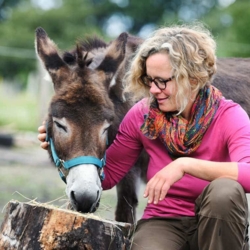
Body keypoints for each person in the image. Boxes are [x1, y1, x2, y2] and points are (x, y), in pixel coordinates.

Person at [38, 23, 250, 250]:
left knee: (225, 191)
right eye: (150, 80)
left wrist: (184, 165)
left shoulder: (228, 114)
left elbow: (247, 173)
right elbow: (107, 175)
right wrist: (65, 142)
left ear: (192, 79)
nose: (154, 90)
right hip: (165, 222)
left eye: (163, 81)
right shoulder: (142, 115)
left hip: (216, 223)